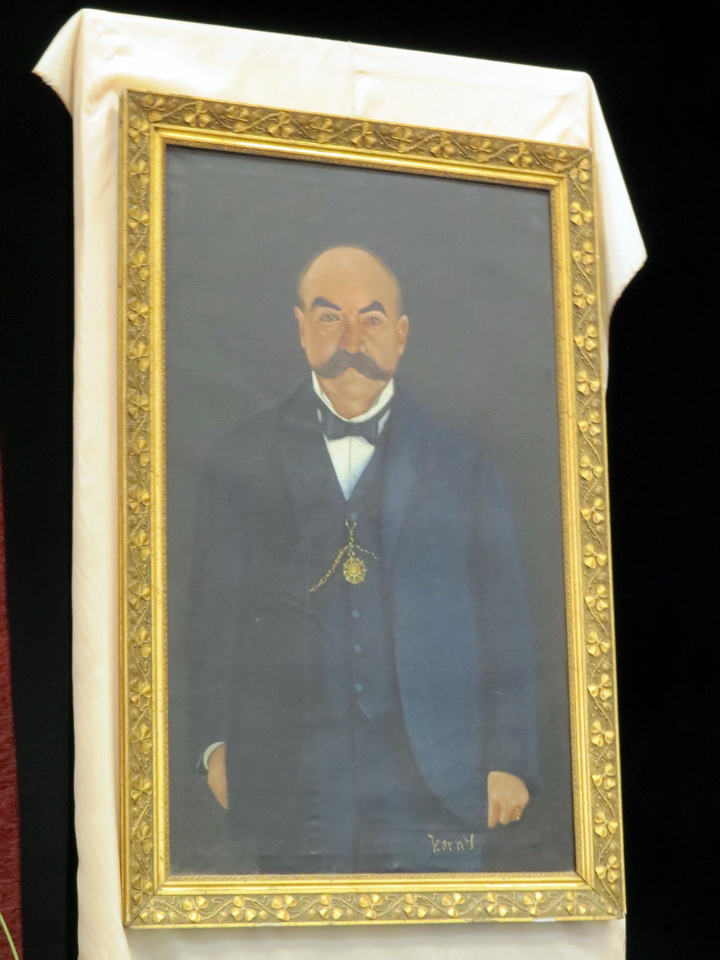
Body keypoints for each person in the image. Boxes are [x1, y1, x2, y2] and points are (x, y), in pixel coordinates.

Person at [188, 246, 538, 873]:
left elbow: (504, 623)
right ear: (300, 327)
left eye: (371, 320)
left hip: (441, 778)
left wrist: (510, 760)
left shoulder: (464, 463)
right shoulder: (240, 459)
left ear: (400, 335)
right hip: (289, 780)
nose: (352, 341)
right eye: (330, 318)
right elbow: (211, 618)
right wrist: (214, 747)